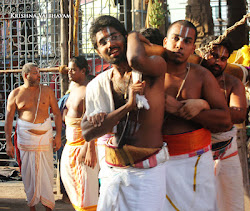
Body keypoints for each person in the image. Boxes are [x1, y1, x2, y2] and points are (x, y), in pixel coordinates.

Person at [81, 15, 168, 210]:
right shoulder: (97, 85)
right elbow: (87, 132)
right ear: (97, 51)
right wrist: (127, 106)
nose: (110, 44)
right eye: (103, 42)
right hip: (112, 171)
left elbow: (135, 58)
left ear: (126, 38)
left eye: (115, 36)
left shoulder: (152, 69)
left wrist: (134, 35)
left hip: (147, 173)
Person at [162, 20, 232, 211]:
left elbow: (225, 120)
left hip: (195, 162)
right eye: (176, 39)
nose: (180, 45)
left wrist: (183, 111)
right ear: (165, 42)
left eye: (186, 41)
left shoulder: (201, 76)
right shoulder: (152, 74)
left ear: (193, 47)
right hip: (158, 162)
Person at [5, 63, 62, 211]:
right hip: (26, 138)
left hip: (45, 137)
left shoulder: (47, 91)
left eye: (38, 72)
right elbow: (9, 119)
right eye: (35, 73)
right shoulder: (16, 94)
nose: (39, 75)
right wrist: (9, 143)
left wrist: (58, 136)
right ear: (26, 75)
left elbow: (56, 113)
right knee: (28, 174)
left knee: (47, 173)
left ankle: (48, 206)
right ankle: (32, 206)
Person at [200, 36, 247, 211]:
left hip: (227, 152)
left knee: (232, 204)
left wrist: (201, 107)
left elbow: (239, 115)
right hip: (195, 153)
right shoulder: (191, 78)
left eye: (223, 58)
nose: (218, 62)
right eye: (213, 56)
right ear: (203, 54)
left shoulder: (233, 83)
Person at [60, 56, 99, 210]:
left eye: (73, 70)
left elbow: (94, 122)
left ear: (83, 71)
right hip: (70, 147)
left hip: (84, 148)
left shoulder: (89, 90)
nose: (69, 72)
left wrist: (88, 148)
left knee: (86, 196)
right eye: (69, 69)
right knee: (75, 191)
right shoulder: (72, 89)